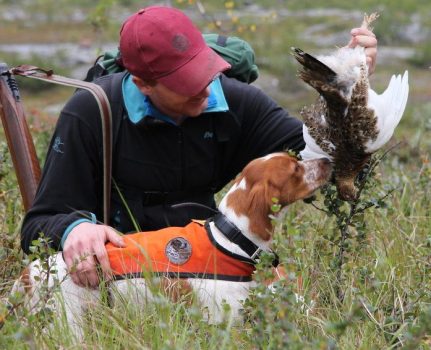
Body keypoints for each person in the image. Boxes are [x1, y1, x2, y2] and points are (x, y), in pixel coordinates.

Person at [20, 6, 378, 287]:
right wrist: (74, 229)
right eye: (186, 83)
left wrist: (347, 90)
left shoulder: (236, 102)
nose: (207, 91)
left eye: (205, 71)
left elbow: (327, 160)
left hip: (212, 266)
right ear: (143, 84)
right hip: (123, 279)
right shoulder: (92, 113)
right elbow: (39, 224)